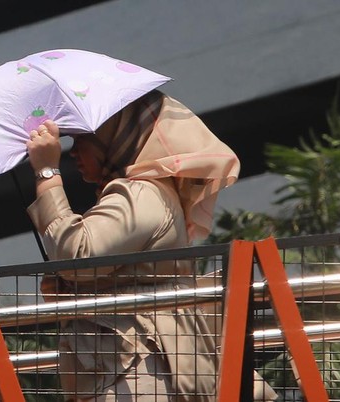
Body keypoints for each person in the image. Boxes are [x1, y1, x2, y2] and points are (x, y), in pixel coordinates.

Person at [25, 90, 277, 401]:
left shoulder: (142, 192)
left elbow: (79, 256)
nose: (73, 152)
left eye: (82, 140)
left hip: (136, 369)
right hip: (129, 364)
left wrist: (46, 172)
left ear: (114, 137)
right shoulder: (139, 193)